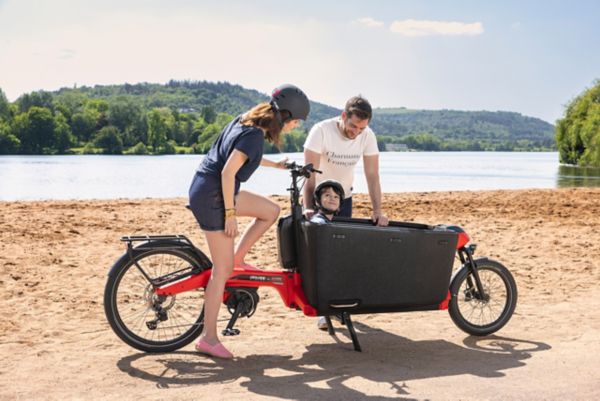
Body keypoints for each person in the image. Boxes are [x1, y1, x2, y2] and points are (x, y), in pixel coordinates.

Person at [188, 84, 310, 359]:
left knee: (269, 210)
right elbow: (229, 172)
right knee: (222, 270)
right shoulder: (254, 136)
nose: (294, 127)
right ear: (286, 116)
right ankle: (208, 338)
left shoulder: (247, 121)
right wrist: (230, 215)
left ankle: (239, 258)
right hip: (215, 194)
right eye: (295, 122)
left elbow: (243, 157)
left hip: (210, 187)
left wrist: (276, 165)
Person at [303, 95, 389, 226]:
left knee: (340, 242)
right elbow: (309, 174)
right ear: (344, 116)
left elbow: (372, 176)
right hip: (319, 197)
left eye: (361, 128)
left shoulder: (368, 136)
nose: (356, 132)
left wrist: (377, 211)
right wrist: (308, 206)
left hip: (344, 198)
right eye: (353, 126)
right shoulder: (321, 131)